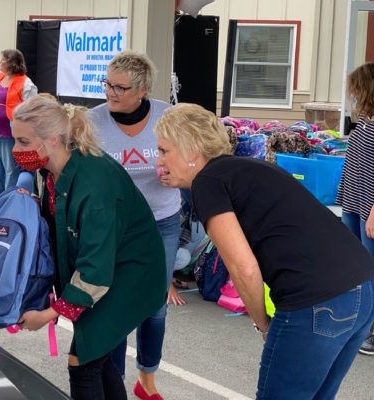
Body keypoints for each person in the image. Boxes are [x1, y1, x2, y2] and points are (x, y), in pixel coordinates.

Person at [155, 103, 374, 399]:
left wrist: (263, 326)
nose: (159, 161)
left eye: (164, 151)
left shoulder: (208, 182)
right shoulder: (246, 167)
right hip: (362, 286)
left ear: (191, 150)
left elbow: (243, 267)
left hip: (315, 297)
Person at [12, 95, 166, 400]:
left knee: (82, 362)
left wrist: (49, 313)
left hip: (128, 277)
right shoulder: (55, 169)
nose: (16, 151)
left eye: (22, 141)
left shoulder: (95, 185)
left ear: (51, 140)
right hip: (109, 269)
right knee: (99, 354)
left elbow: (95, 270)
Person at [88, 50, 180, 399]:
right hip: (113, 227)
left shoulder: (167, 117)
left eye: (120, 88)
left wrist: (178, 177)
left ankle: (147, 378)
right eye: (108, 84)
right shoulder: (91, 121)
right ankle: (116, 383)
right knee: (115, 303)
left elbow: (190, 159)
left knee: (154, 305)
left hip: (161, 221)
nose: (110, 93)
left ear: (142, 91)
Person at [337, 62, 374, 355]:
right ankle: (358, 323)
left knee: (370, 269)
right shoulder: (363, 118)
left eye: (355, 87)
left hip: (370, 207)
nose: (351, 93)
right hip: (353, 200)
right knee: (356, 266)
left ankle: (370, 330)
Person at [0, 49, 37, 212]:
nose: (0, 63)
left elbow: (31, 109)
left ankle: (9, 203)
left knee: (11, 170)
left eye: (2, 60)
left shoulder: (25, 83)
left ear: (11, 62)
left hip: (9, 134)